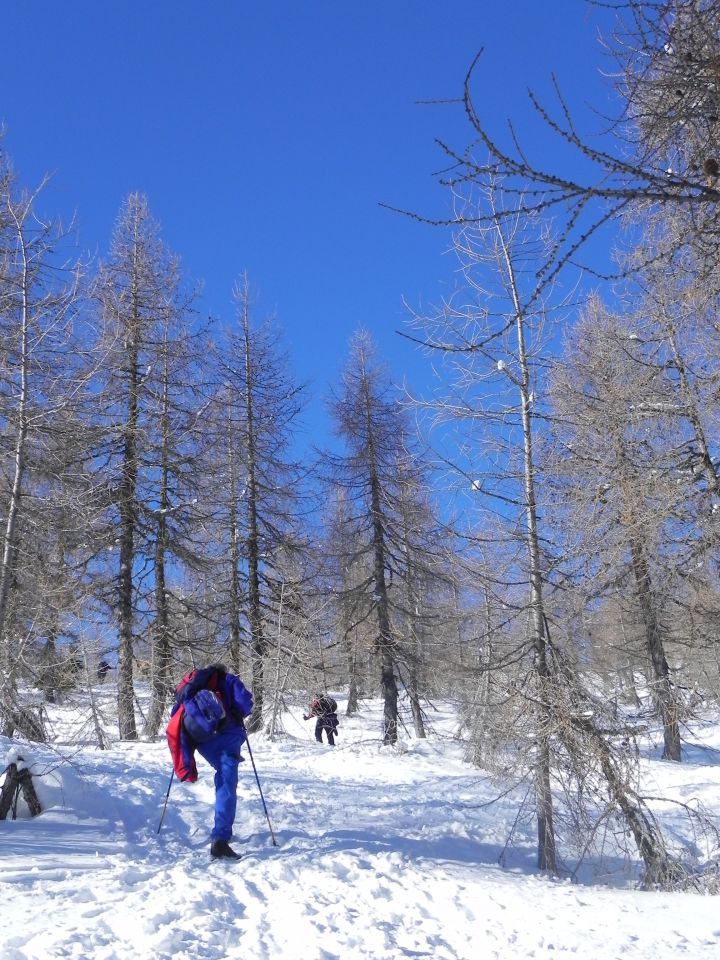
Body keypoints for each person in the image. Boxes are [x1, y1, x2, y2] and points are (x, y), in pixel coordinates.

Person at [166, 662, 253, 860]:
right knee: (225, 782)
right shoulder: (228, 680)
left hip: (199, 738)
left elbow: (175, 714)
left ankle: (221, 835)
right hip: (226, 737)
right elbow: (245, 704)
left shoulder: (193, 685)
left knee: (223, 775)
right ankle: (220, 839)